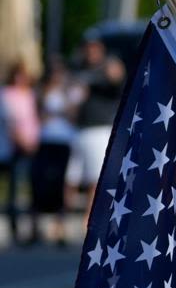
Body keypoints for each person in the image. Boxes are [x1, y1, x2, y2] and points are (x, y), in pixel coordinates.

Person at [69, 36, 125, 219]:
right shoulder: (79, 69)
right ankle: (63, 221)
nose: (91, 52)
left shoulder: (108, 68)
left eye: (94, 48)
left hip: (100, 130)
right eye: (88, 48)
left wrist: (114, 71)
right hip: (79, 130)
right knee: (72, 179)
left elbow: (116, 79)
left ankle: (88, 219)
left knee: (95, 179)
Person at [32, 57, 82, 245]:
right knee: (40, 182)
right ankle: (35, 226)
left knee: (62, 184)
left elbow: (73, 114)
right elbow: (41, 115)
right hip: (45, 140)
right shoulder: (42, 91)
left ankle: (60, 228)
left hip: (64, 141)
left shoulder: (70, 91)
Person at [2, 61, 41, 245]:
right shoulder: (6, 94)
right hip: (14, 147)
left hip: (31, 144)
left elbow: (33, 118)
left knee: (33, 187)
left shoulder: (30, 94)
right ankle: (15, 228)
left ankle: (33, 228)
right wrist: (22, 142)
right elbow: (10, 121)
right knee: (16, 189)